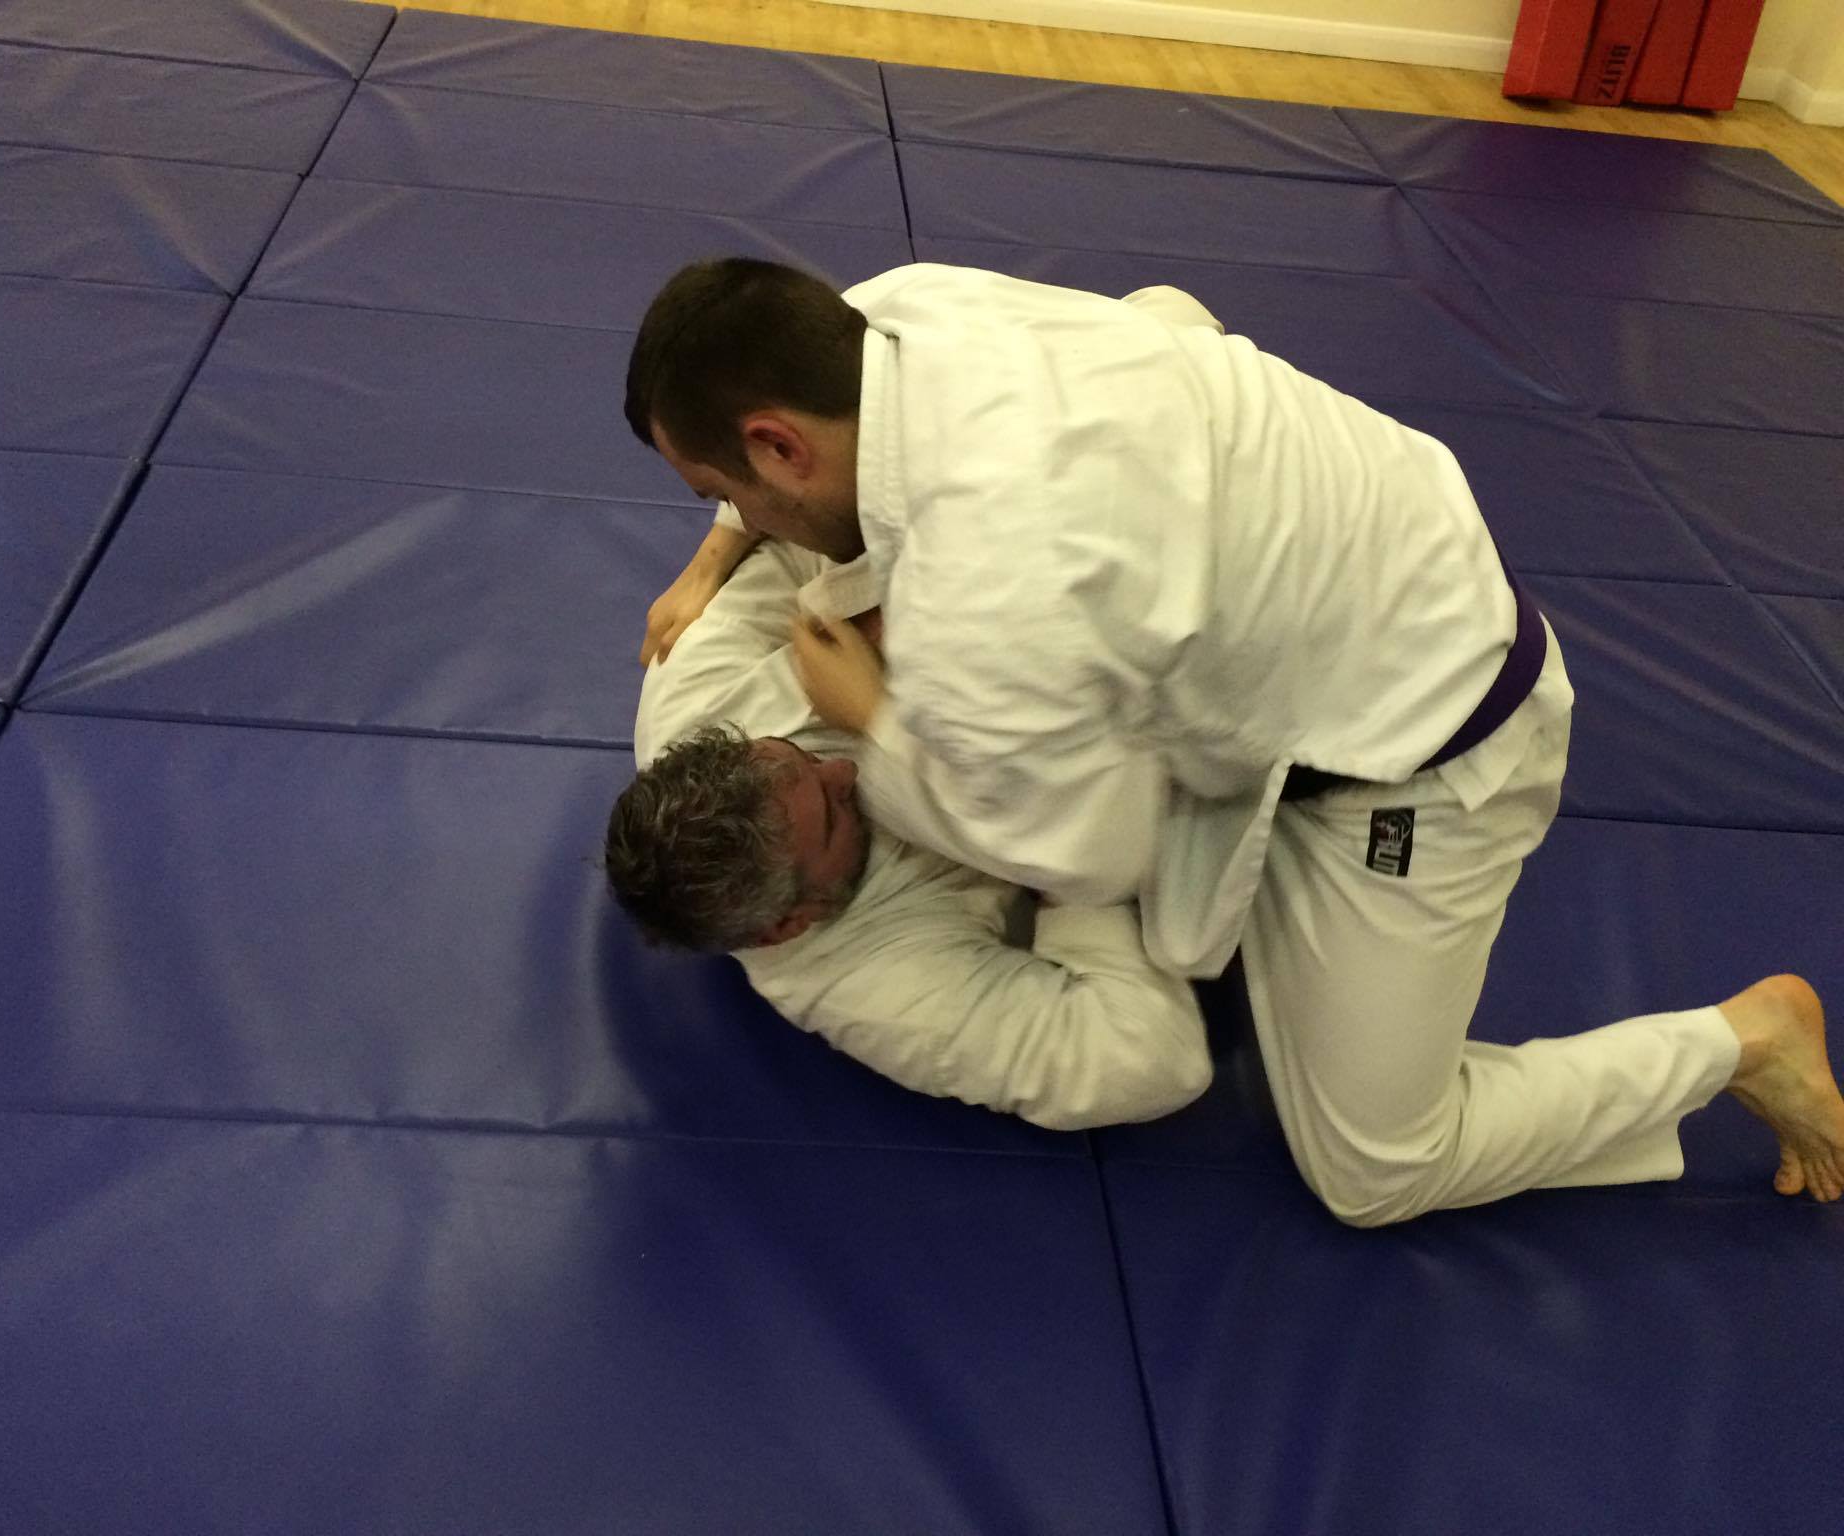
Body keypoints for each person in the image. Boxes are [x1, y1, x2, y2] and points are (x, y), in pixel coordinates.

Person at [619, 256, 1844, 1223]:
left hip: (1420, 738)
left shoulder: (988, 592)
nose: (839, 777)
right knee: (1155, 326)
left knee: (1375, 1169)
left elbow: (1094, 852)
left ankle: (1741, 1044)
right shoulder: (898, 311)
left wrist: (860, 704)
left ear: (778, 441)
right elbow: (1091, 873)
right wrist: (773, 602)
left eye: (724, 490)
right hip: (1355, 558)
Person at [606, 534, 1214, 1132]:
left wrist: (857, 607)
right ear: (790, 923)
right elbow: (1150, 1062)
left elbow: (807, 534)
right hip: (1148, 777)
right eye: (832, 816)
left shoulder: (693, 699)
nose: (841, 772)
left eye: (801, 755)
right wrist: (1060, 866)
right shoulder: (870, 983)